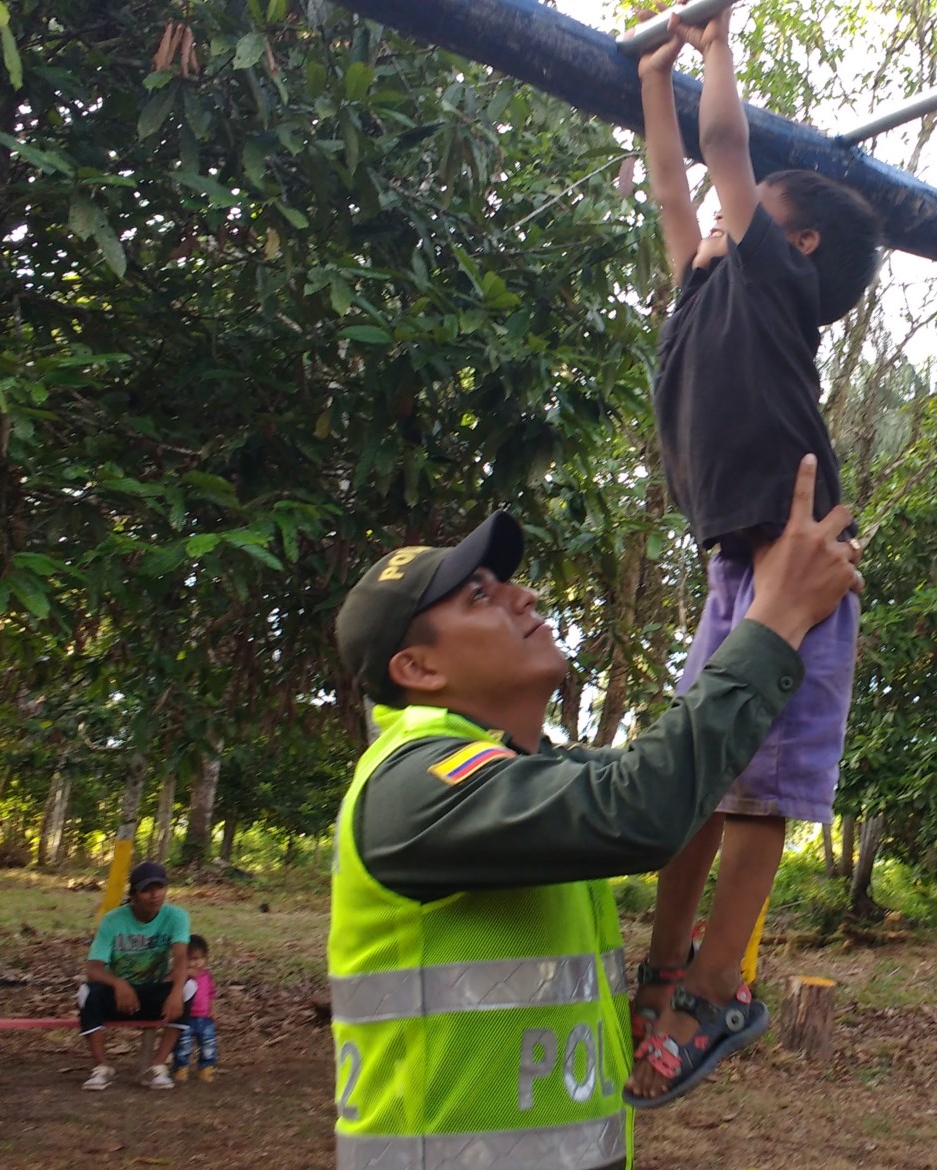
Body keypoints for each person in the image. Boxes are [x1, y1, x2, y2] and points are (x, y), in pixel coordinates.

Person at [327, 457, 858, 1169]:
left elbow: (681, 779)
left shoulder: (523, 773)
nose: (522, 595)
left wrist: (748, 613)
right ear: (418, 670)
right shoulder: (414, 788)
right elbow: (646, 807)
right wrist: (778, 615)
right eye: (479, 595)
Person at [628, 4, 883, 1108]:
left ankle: (718, 983)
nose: (726, 216)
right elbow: (673, 183)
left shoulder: (770, 283)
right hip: (737, 563)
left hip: (801, 550)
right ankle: (659, 967)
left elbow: (722, 150)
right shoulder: (704, 275)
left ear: (797, 244)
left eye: (756, 214)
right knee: (694, 773)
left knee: (757, 793)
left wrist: (715, 42)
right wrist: (650, 76)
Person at [78, 859, 189, 1092]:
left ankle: (157, 1067)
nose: (155, 895)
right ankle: (101, 1067)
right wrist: (118, 983)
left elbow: (181, 958)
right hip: (120, 999)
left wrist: (176, 992)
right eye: (146, 890)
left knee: (189, 989)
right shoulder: (112, 920)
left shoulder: (176, 917)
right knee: (87, 992)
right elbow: (93, 968)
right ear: (134, 894)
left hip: (152, 994)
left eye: (159, 888)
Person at [171, 933, 218, 1083]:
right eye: (190, 959)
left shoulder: (206, 976)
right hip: (186, 1017)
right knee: (183, 1044)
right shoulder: (180, 976)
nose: (194, 963)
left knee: (208, 1043)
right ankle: (181, 1067)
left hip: (204, 1018)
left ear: (205, 959)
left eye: (198, 959)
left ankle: (206, 1067)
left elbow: (211, 994)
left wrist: (212, 1009)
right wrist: (184, 974)